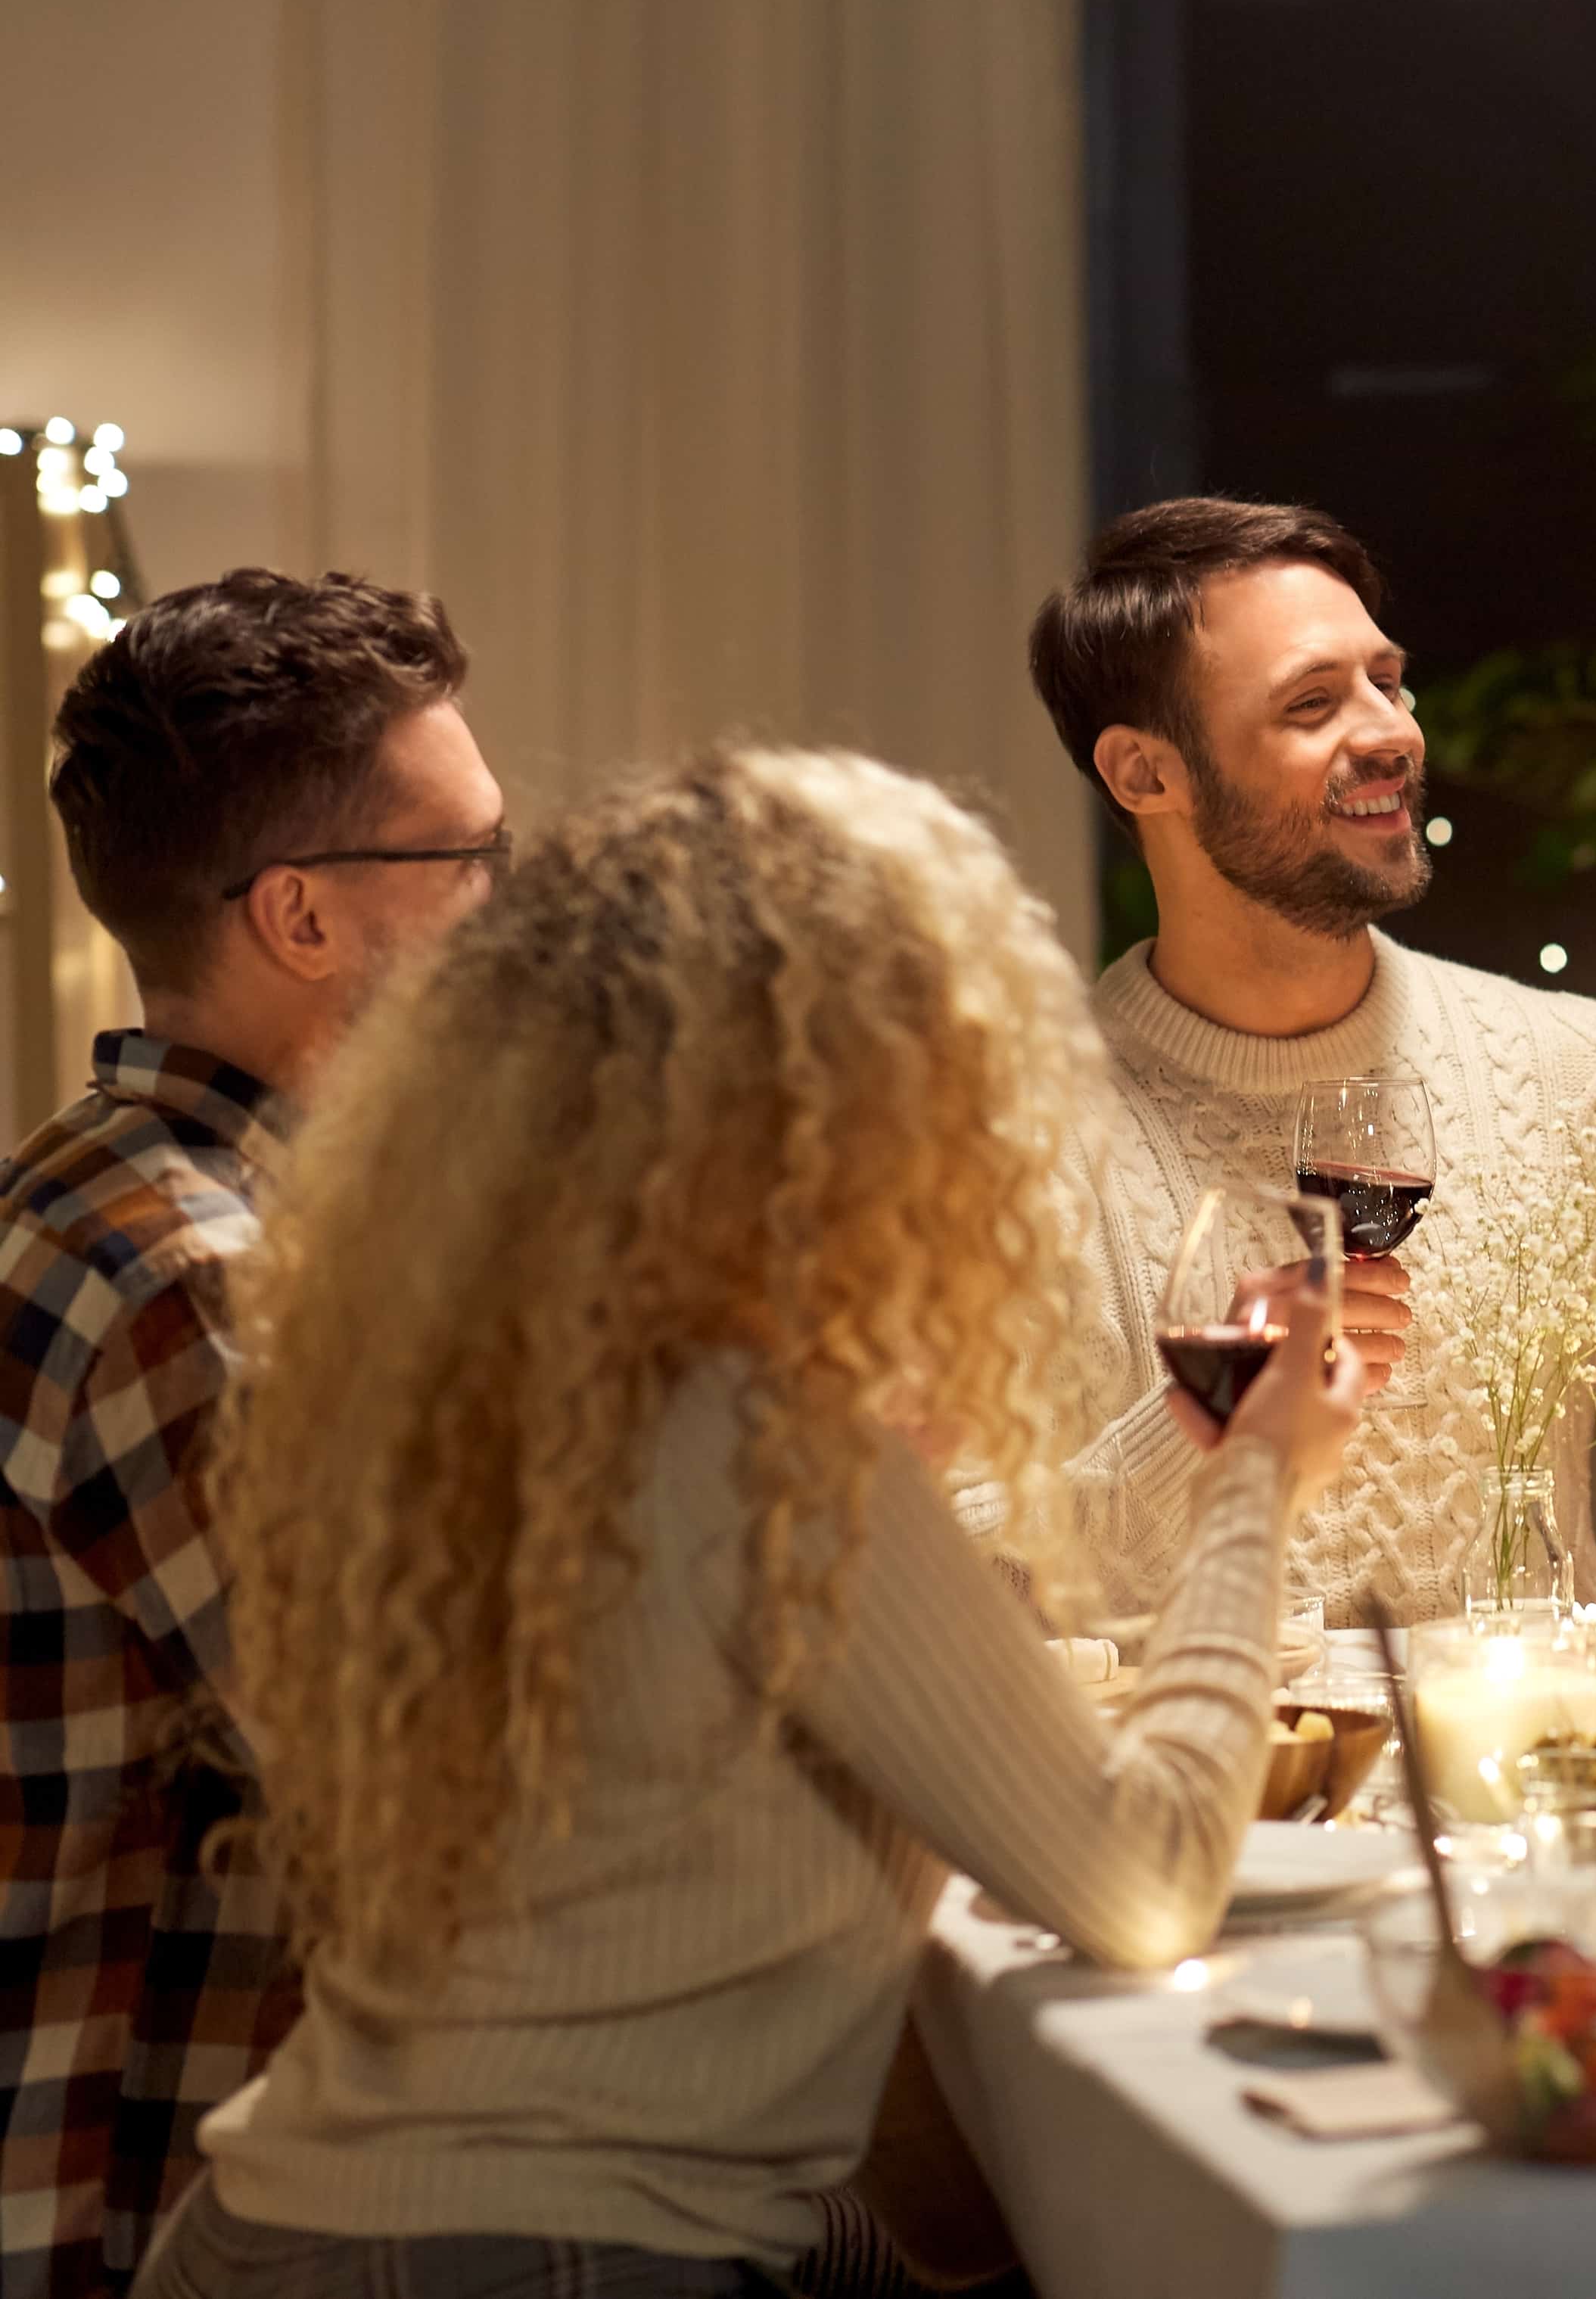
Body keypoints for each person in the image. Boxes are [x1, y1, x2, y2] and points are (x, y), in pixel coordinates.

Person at [156, 748, 1353, 2299]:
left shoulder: (499, 1397)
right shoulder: (758, 1433)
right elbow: (1142, 1879)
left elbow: (790, 1733)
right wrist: (1258, 1483)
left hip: (278, 2229)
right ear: (835, 1098)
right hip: (542, 2259)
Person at [1025, 498, 1596, 1624]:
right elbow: (913, 1570)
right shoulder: (1000, 1135)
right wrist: (1194, 1430)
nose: (1391, 732)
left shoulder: (1576, 1072)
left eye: (1387, 679)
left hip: (1533, 1798)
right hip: (1200, 1800)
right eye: (1312, 703)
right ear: (1145, 775)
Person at [2, 572, 503, 2299]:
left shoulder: (115, 1187)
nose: (509, 917)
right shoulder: (204, 1283)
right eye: (474, 863)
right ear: (300, 915)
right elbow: (466, 1799)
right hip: (160, 2199)